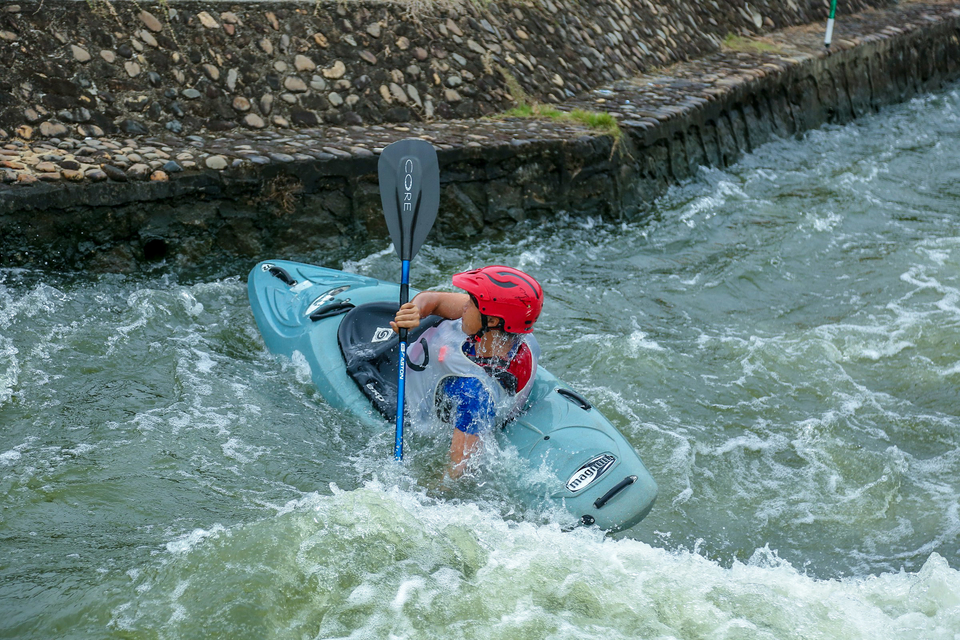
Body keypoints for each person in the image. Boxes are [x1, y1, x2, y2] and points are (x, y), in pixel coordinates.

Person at [391, 265, 543, 478]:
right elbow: (435, 300)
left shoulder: (474, 394)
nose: (464, 305)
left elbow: (458, 471)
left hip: (408, 398)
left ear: (491, 321)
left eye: (471, 302)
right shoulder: (514, 332)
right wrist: (416, 310)